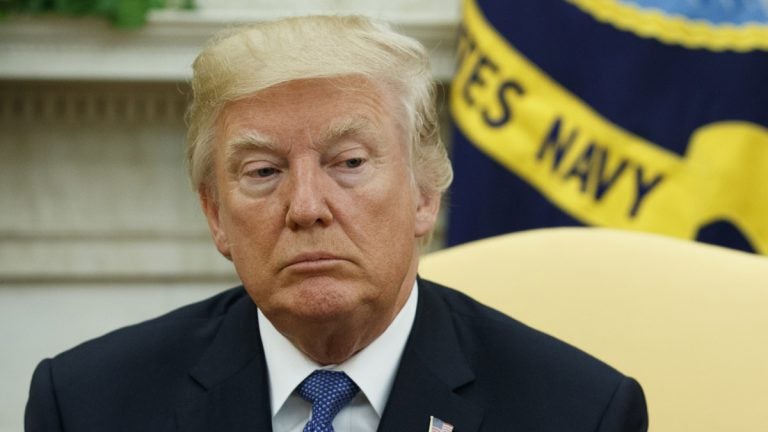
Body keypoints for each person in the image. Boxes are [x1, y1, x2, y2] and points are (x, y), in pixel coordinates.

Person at [25, 15, 648, 431]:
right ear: (215, 215)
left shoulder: (577, 411)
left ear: (425, 193)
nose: (306, 208)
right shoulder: (87, 405)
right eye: (263, 171)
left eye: (348, 162)